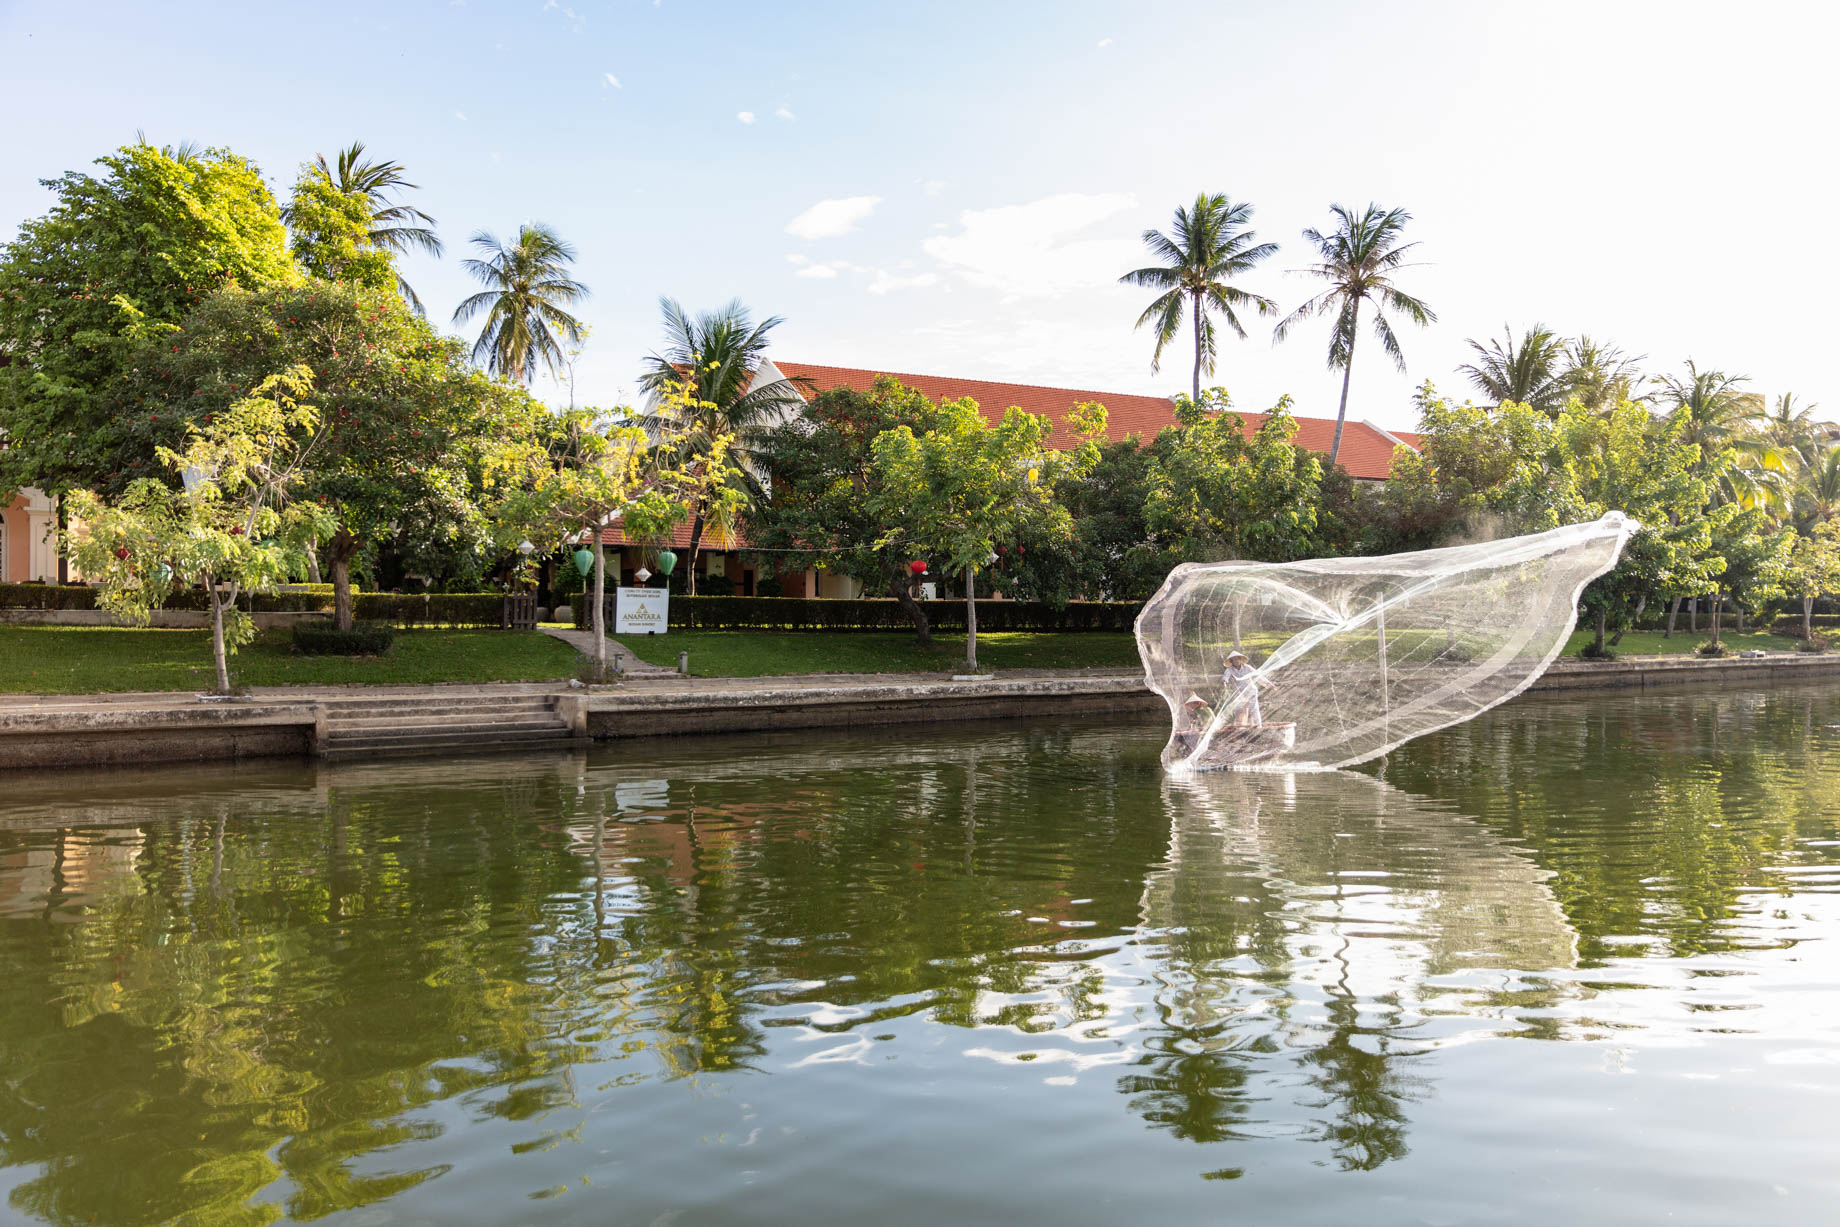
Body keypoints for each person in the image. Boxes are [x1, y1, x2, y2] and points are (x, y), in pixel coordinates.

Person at [1221, 650, 1267, 727]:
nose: (1236, 661)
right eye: (1234, 659)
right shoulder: (1229, 669)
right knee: (1239, 710)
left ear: (1240, 659)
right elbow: (1226, 676)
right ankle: (1240, 727)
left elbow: (1258, 676)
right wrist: (1225, 681)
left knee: (1254, 709)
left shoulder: (1247, 668)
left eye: (1238, 659)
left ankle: (1258, 726)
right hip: (1239, 693)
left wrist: (1268, 684)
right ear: (1231, 661)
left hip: (1251, 691)